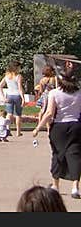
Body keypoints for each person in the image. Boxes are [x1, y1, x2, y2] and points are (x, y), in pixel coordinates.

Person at [33, 70, 81, 199]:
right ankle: (75, 187)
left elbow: (49, 113)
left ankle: (56, 186)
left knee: (57, 154)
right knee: (75, 155)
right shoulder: (79, 93)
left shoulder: (54, 93)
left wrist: (38, 127)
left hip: (59, 127)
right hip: (76, 126)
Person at [0, 62, 25, 137]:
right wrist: (23, 98)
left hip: (9, 95)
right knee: (18, 114)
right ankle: (18, 132)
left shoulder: (7, 76)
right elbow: (20, 88)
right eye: (19, 67)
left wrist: (3, 97)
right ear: (16, 68)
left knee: (9, 114)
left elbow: (0, 86)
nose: (20, 69)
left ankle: (7, 129)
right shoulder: (18, 76)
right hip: (17, 96)